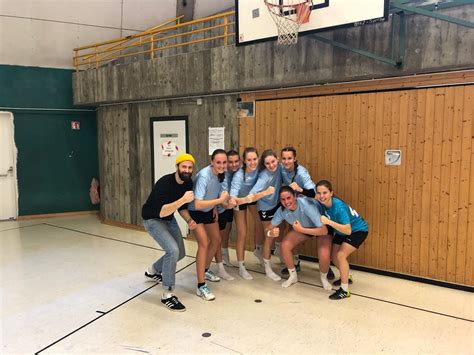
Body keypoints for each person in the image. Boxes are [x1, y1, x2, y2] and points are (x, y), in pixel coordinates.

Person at [142, 153, 197, 312]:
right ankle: (167, 294)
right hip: (153, 219)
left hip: (169, 219)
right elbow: (162, 212)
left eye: (190, 167)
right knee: (172, 251)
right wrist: (183, 200)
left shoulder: (188, 183)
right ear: (177, 167)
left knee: (180, 253)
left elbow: (181, 208)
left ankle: (152, 271)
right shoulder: (165, 183)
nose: (187, 170)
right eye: (184, 166)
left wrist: (189, 220)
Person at [265, 186, 332, 288]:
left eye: (289, 198)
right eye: (283, 199)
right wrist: (271, 233)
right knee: (285, 245)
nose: (286, 202)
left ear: (295, 197)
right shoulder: (281, 211)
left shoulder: (306, 206)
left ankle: (324, 278)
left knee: (324, 254)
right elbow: (268, 229)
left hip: (320, 228)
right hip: (303, 228)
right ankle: (293, 276)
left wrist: (301, 230)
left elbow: (324, 230)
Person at [188, 149, 233, 301]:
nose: (221, 165)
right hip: (195, 212)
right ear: (212, 162)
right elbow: (198, 203)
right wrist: (219, 202)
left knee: (217, 240)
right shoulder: (204, 176)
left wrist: (227, 203)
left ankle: (205, 269)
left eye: (224, 162)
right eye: (218, 162)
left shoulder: (223, 175)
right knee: (204, 243)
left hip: (209, 210)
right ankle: (201, 286)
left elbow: (223, 199)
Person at [316, 180, 369, 300]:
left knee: (340, 255)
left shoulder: (338, 207)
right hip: (340, 230)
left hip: (357, 231)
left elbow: (348, 230)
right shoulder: (321, 202)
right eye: (319, 193)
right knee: (334, 257)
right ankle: (347, 276)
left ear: (331, 193)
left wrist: (328, 222)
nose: (321, 196)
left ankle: (345, 291)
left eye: (325, 192)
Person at [241, 149, 282, 281]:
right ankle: (267, 268)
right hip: (265, 207)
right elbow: (251, 196)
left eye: (273, 162)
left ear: (278, 160)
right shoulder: (264, 177)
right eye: (268, 163)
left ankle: (266, 252)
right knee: (269, 236)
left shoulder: (280, 167)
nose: (271, 165)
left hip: (276, 204)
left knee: (279, 232)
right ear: (264, 164)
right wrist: (265, 193)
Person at [228, 147, 262, 280]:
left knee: (260, 223)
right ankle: (241, 266)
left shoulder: (259, 169)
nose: (252, 162)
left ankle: (258, 250)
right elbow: (233, 196)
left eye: (254, 159)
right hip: (240, 201)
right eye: (249, 160)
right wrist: (238, 200)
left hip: (252, 199)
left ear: (258, 159)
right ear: (244, 161)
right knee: (242, 232)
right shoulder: (238, 176)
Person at [216, 150, 241, 270]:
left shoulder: (239, 172)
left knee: (228, 228)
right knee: (218, 236)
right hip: (220, 206)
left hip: (229, 204)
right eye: (230, 162)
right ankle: (219, 261)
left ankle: (224, 254)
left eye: (236, 161)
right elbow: (223, 196)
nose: (234, 164)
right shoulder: (224, 174)